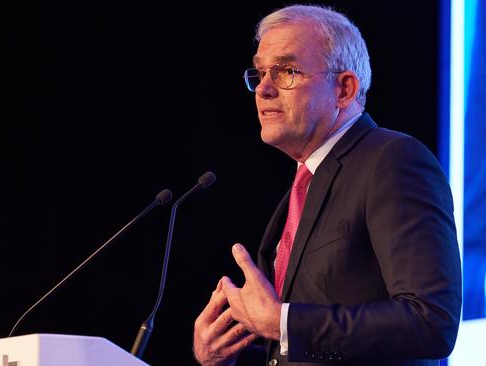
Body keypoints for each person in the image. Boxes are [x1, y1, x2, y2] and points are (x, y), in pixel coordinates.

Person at [193, 5, 461, 366]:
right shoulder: (303, 187)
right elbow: (297, 344)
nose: (264, 89)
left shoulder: (394, 160)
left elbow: (432, 322)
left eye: (287, 71)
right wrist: (224, 351)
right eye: (260, 72)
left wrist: (283, 322)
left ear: (344, 89)